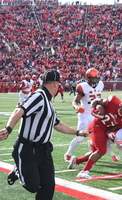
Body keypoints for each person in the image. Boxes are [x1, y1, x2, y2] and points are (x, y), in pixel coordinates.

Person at [0, 69, 89, 200]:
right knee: (33, 186)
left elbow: (57, 124)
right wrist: (8, 129)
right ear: (55, 84)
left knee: (48, 186)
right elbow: (19, 110)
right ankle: (17, 171)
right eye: (59, 84)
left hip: (44, 150)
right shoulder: (39, 96)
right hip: (28, 149)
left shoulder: (48, 102)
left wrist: (77, 132)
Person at [67, 95, 122, 179]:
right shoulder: (113, 101)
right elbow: (96, 101)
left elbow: (114, 128)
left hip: (104, 130)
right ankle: (83, 172)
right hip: (96, 125)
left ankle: (76, 160)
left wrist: (111, 134)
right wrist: (93, 109)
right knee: (101, 150)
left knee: (94, 152)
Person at [64, 68, 121, 163]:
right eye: (92, 79)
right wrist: (77, 107)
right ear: (87, 78)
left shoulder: (101, 84)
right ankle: (68, 154)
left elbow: (99, 98)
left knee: (103, 135)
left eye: (96, 78)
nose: (94, 81)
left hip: (95, 115)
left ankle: (96, 146)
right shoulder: (82, 87)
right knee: (80, 137)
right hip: (85, 115)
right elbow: (75, 101)